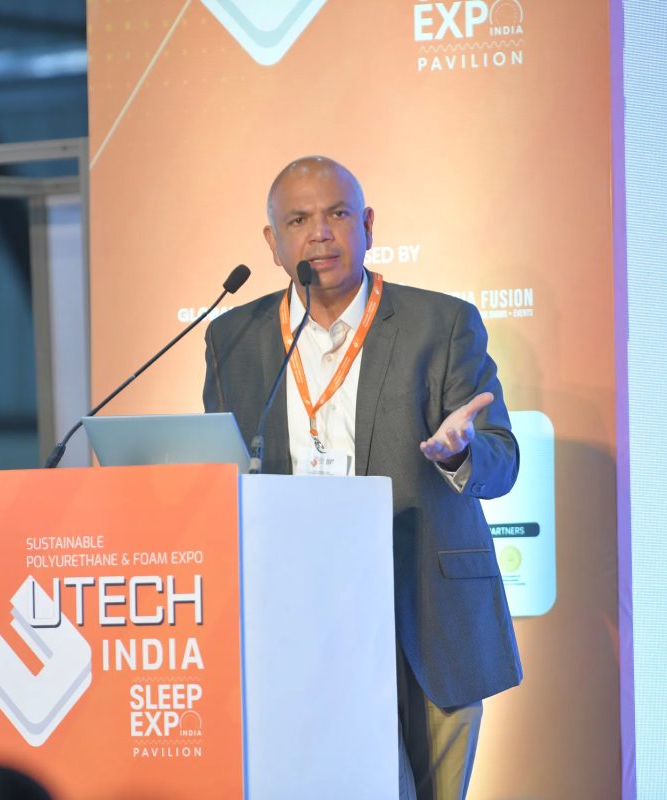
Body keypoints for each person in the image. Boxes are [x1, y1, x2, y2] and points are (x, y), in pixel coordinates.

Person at [202, 156, 522, 800]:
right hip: (292, 618)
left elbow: (502, 458)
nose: (320, 233)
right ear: (272, 242)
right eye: (298, 220)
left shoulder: (442, 324)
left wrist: (458, 454)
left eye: (338, 214)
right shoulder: (232, 338)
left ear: (368, 224)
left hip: (423, 611)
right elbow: (220, 469)